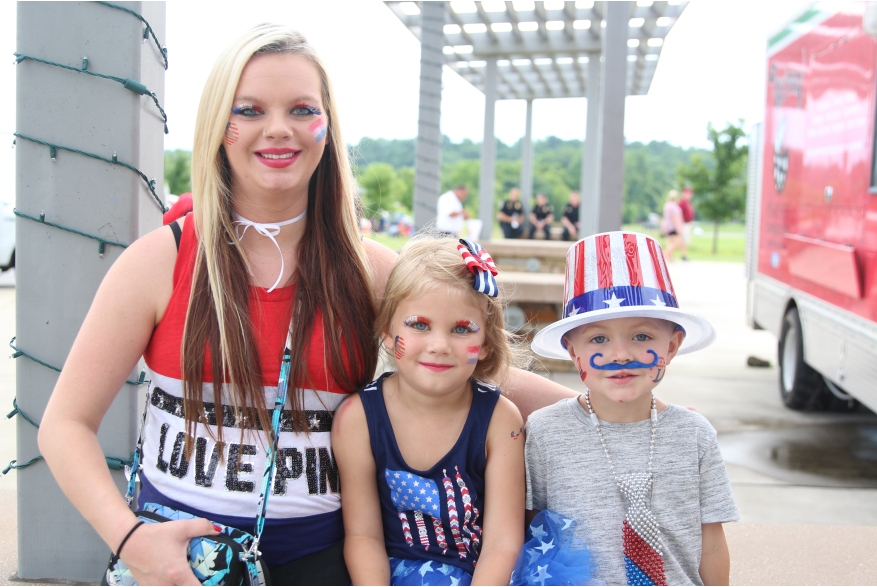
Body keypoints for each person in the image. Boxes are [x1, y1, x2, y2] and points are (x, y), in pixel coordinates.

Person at [36, 24, 577, 585]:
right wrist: (131, 540)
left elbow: (468, 357)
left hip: (326, 560)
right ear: (220, 126)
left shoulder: (366, 269)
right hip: (181, 564)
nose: (278, 129)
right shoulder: (160, 262)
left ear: (327, 129)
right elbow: (65, 424)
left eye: (301, 109)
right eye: (248, 109)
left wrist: (609, 410)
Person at [526, 232, 737, 586]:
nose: (620, 354)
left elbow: (712, 544)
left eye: (642, 337)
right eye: (598, 339)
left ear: (671, 346)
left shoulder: (695, 434)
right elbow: (533, 531)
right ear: (573, 351)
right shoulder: (545, 433)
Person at [333, 236, 525, 585]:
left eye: (462, 329)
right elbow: (363, 537)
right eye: (419, 325)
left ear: (484, 344)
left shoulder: (501, 421)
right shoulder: (358, 418)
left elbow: (502, 543)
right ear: (389, 332)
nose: (439, 345)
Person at [661, 189, 684, 263]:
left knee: (670, 241)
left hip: (667, 225)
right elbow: (674, 218)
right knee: (677, 241)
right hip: (672, 226)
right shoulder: (673, 206)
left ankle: (670, 256)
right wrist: (678, 228)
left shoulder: (667, 204)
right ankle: (666, 254)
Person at [679, 187, 695, 261]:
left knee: (686, 240)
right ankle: (683, 255)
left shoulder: (687, 202)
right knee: (683, 240)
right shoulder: (682, 202)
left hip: (687, 223)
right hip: (683, 223)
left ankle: (684, 254)